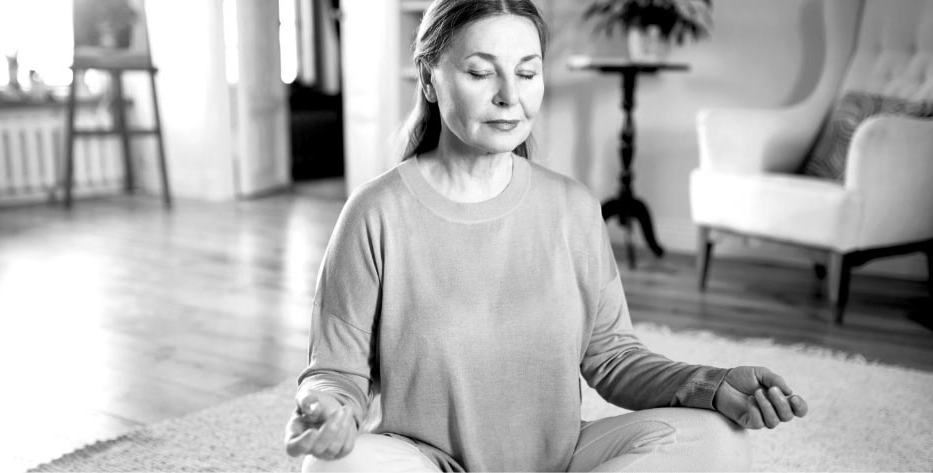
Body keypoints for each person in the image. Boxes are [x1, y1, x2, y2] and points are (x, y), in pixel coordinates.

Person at [284, 0, 808, 471]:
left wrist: (711, 386)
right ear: (428, 78)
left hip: (559, 460)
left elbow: (613, 358)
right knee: (332, 468)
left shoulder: (573, 207)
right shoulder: (375, 213)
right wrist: (328, 409)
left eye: (527, 72)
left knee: (720, 440)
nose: (510, 97)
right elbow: (336, 369)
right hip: (426, 462)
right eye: (480, 72)